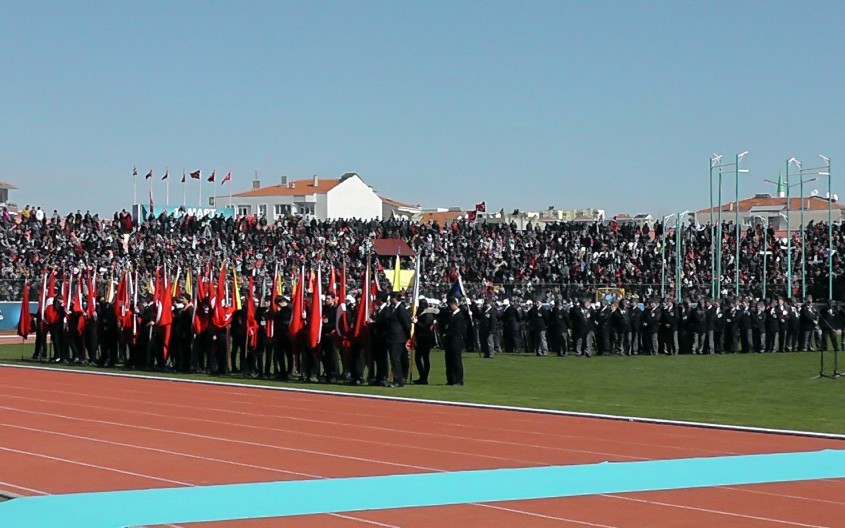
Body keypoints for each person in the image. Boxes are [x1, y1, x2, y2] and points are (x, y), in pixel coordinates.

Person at [412, 298, 437, 384]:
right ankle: (422, 375)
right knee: (418, 358)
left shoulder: (428, 315)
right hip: (420, 339)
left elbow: (425, 327)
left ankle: (424, 377)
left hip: (426, 339)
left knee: (425, 359)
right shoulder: (421, 314)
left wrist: (417, 322)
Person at [443, 297, 466, 386]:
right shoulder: (450, 314)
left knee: (456, 361)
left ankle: (458, 380)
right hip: (449, 341)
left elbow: (457, 329)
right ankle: (451, 379)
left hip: (456, 341)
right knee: (449, 361)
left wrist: (447, 333)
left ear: (453, 304)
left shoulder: (459, 315)